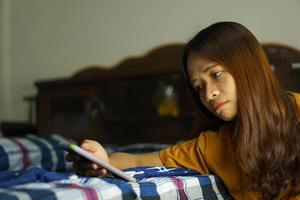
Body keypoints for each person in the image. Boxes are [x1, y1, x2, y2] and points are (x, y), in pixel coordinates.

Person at [66, 21, 300, 199]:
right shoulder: (211, 146)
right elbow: (136, 160)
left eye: (216, 74)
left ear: (248, 67)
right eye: (199, 87)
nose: (208, 95)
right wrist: (102, 159)